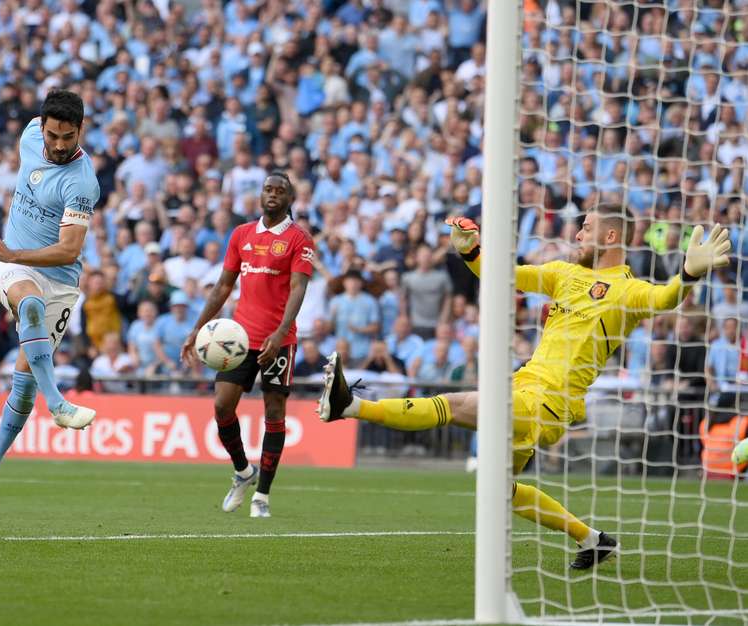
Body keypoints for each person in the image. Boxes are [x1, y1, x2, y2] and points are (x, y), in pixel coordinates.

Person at [317, 206, 731, 569]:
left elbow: (665, 299)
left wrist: (689, 272)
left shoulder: (626, 289)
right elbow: (503, 274)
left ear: (610, 236)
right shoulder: (564, 275)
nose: (578, 234)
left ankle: (350, 405)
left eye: (586, 228)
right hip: (524, 386)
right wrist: (470, 250)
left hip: (549, 402)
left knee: (457, 403)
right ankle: (593, 539)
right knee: (500, 489)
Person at [0, 89, 101, 504]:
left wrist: (13, 250)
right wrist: (11, 256)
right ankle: (59, 404)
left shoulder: (82, 183)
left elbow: (70, 250)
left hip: (59, 280)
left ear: (81, 130)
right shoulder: (26, 136)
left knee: (23, 388)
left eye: (68, 137)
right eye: (53, 135)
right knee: (31, 305)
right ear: (41, 126)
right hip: (15, 269)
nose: (59, 145)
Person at [181, 171, 313, 518]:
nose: (272, 195)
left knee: (274, 413)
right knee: (222, 407)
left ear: (290, 199)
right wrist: (197, 329)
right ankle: (243, 471)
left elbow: (298, 289)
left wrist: (281, 332)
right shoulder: (241, 234)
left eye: (279, 191)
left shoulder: (300, 239)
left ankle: (262, 497)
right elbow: (223, 287)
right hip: (238, 340)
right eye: (267, 189)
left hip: (279, 341)